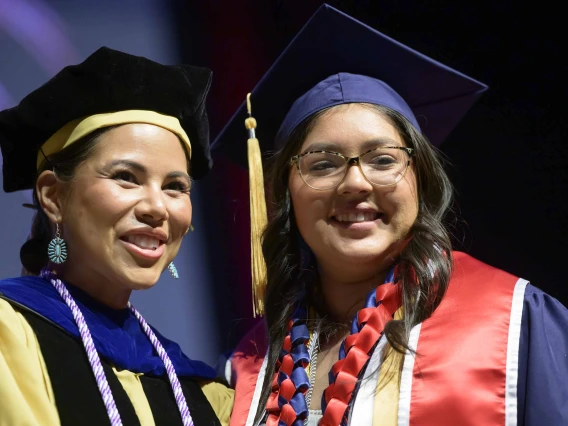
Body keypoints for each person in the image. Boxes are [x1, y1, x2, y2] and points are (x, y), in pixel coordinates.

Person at [212, 4, 568, 426]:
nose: (356, 183)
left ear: (419, 178)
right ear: (286, 194)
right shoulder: (248, 367)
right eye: (322, 164)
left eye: (382, 159)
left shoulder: (513, 323)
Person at [0, 47, 233, 426]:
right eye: (126, 177)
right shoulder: (10, 334)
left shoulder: (204, 391)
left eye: (175, 186)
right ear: (53, 196)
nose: (157, 207)